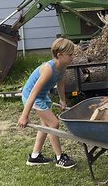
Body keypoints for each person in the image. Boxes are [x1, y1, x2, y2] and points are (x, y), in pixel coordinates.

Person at [17, 38, 77, 169]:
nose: (73, 57)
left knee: (45, 125)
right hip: (31, 96)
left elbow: (60, 83)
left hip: (42, 95)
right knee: (53, 123)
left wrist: (62, 100)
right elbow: (33, 93)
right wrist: (24, 115)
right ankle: (59, 158)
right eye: (70, 54)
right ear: (60, 55)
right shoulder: (48, 69)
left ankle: (34, 157)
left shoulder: (63, 66)